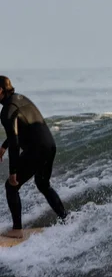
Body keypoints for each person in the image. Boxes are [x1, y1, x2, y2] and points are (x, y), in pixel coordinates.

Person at [0, 76, 67, 234]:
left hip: (36, 150)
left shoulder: (6, 111)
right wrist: (3, 146)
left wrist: (13, 172)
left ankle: (16, 230)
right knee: (43, 184)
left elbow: (15, 142)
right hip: (50, 146)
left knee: (11, 186)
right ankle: (66, 219)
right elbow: (21, 127)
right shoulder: (20, 99)